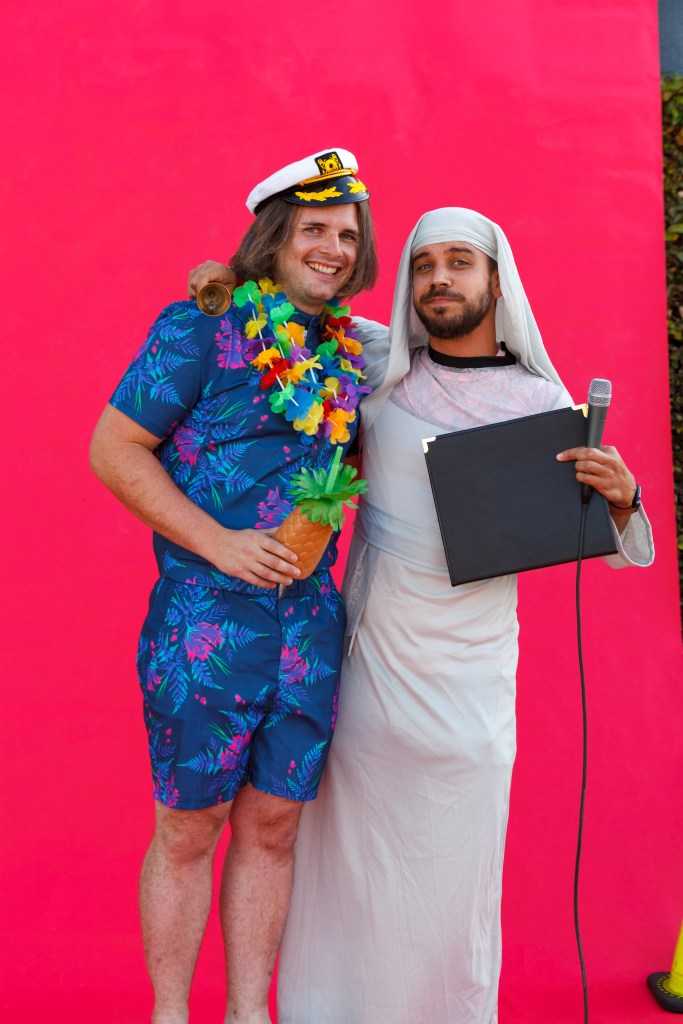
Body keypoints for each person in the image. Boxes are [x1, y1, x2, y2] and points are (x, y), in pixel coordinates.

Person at [188, 209, 653, 1023]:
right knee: (345, 877)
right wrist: (224, 278)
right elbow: (288, 307)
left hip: (471, 693)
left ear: (496, 282)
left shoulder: (543, 404)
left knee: (448, 885)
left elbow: (592, 533)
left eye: (459, 262)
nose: (439, 278)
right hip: (366, 678)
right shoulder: (371, 365)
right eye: (424, 263)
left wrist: (622, 499)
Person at [89, 148, 377, 1024]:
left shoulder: (349, 353)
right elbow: (113, 448)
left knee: (274, 829)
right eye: (314, 229)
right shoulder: (200, 328)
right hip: (205, 622)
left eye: (347, 235)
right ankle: (171, 1016)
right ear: (275, 236)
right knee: (188, 828)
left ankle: (251, 1014)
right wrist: (216, 542)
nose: (332, 248)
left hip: (308, 625)